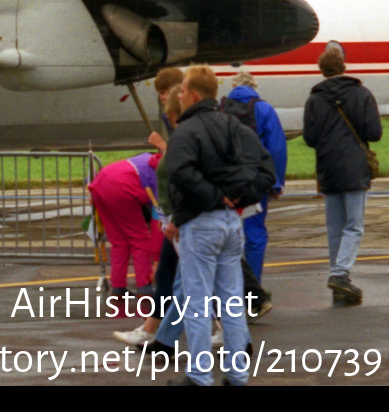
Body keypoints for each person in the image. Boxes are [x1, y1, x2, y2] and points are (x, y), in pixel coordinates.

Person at [163, 65, 274, 386]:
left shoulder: (186, 130)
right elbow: (266, 168)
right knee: (232, 301)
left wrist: (212, 196)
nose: (179, 95)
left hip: (202, 223)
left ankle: (199, 375)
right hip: (230, 224)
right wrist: (239, 198)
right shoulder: (234, 126)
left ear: (194, 95)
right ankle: (237, 375)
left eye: (182, 90)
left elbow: (180, 173)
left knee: (197, 301)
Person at [303, 43, 382, 304]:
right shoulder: (362, 94)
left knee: (335, 226)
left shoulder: (314, 98)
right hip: (355, 165)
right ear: (344, 65)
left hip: (328, 166)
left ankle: (339, 279)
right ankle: (340, 273)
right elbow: (374, 133)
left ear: (322, 69)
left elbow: (310, 138)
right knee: (354, 225)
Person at [114, 68, 185, 346]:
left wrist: (163, 147)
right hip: (178, 213)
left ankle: (157, 334)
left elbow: (185, 165)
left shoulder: (184, 128)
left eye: (164, 93)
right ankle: (155, 332)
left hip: (183, 215)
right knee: (172, 275)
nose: (162, 99)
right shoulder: (180, 125)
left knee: (183, 278)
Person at [220, 70, 287, 316]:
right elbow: (276, 148)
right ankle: (253, 293)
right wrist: (276, 182)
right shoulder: (264, 109)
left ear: (233, 86)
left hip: (226, 183)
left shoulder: (222, 108)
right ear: (254, 87)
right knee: (255, 235)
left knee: (227, 237)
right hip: (255, 182)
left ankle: (230, 294)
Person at [89, 151, 163, 304]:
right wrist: (157, 259)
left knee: (119, 241)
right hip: (121, 186)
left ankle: (118, 287)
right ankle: (144, 286)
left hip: (100, 182)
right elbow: (158, 220)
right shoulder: (161, 175)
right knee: (140, 239)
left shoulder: (147, 157)